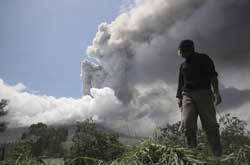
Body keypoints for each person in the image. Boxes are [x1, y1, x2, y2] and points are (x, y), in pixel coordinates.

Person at [176, 39, 222, 157]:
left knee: (210, 125)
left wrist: (216, 93)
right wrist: (180, 98)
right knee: (187, 124)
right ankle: (192, 154)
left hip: (204, 93)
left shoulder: (204, 59)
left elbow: (213, 76)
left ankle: (217, 155)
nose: (180, 53)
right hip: (187, 95)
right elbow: (181, 83)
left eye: (181, 51)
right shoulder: (183, 65)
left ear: (185, 51)